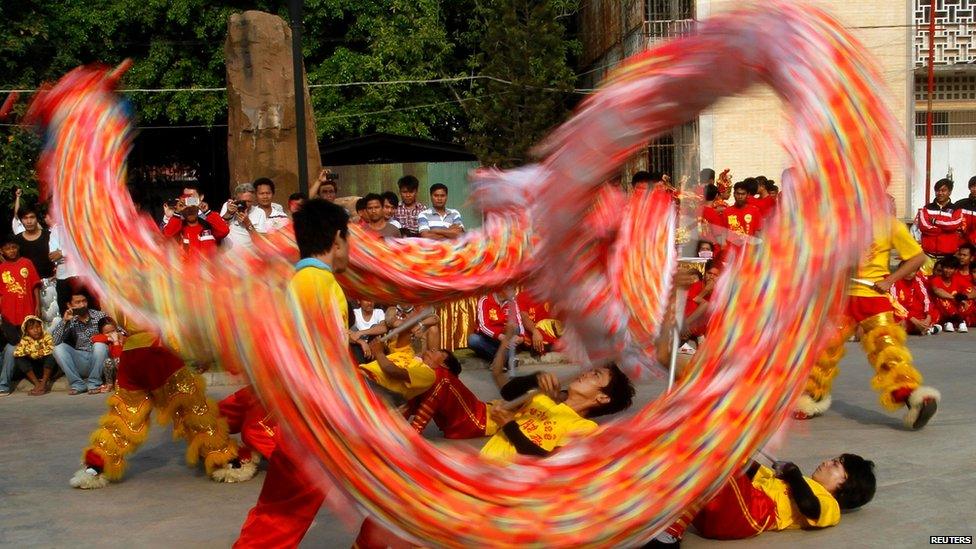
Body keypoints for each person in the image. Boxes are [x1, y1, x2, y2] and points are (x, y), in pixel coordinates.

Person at [354, 353, 636, 548]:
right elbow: (509, 392)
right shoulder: (544, 401)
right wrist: (535, 378)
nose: (586, 373)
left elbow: (548, 465)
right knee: (392, 517)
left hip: (502, 504)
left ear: (603, 397)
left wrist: (511, 427)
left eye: (595, 375)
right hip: (476, 480)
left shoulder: (585, 431)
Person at [235, 198, 351, 548]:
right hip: (313, 418)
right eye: (348, 240)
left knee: (280, 507)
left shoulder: (301, 281)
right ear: (336, 239)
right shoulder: (319, 284)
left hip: (304, 414)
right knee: (282, 513)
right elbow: (325, 360)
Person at [794, 214, 941, 430]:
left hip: (873, 298)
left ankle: (913, 399)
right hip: (841, 298)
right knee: (825, 349)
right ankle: (812, 397)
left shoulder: (890, 224)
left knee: (887, 351)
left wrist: (890, 279)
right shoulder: (838, 222)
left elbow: (918, 258)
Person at [68, 331, 254, 489]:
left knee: (124, 414)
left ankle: (95, 466)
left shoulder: (116, 289)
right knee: (193, 408)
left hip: (131, 353)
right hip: (158, 351)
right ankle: (226, 460)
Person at [648, 454, 876, 546]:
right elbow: (751, 470)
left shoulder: (830, 505)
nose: (827, 462)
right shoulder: (795, 481)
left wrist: (794, 474)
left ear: (845, 487)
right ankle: (660, 520)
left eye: (836, 465)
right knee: (708, 455)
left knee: (718, 462)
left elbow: (809, 507)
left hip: (752, 514)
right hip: (732, 507)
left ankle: (669, 533)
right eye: (833, 459)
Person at [0, 237, 42, 396]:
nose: (11, 251)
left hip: (27, 312)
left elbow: (35, 287)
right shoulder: (1, 268)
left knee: (30, 345)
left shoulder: (27, 263)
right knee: (13, 347)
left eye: (13, 247)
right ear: (2, 251)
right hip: (9, 315)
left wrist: (38, 305)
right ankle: (4, 385)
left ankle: (39, 379)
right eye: (7, 249)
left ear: (18, 248)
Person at [50, 291, 110, 395]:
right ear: (69, 305)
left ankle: (94, 383)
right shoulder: (70, 320)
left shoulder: (100, 315)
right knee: (58, 348)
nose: (82, 305)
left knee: (99, 345)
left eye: (84, 301)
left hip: (100, 360)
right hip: (81, 359)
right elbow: (54, 341)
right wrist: (65, 322)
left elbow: (120, 331)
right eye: (77, 302)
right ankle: (77, 384)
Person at [467, 287, 524, 362]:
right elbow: (483, 326)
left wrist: (522, 337)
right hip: (489, 338)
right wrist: (499, 336)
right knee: (473, 339)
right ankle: (506, 358)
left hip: (506, 337)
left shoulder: (513, 302)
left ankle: (499, 360)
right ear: (503, 289)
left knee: (515, 328)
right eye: (512, 289)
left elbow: (520, 323)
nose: (515, 292)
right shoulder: (485, 300)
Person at [163, 195, 229, 257]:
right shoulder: (178, 228)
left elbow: (224, 231)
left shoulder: (209, 225)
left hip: (210, 267)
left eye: (192, 209)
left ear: (198, 209)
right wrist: (177, 213)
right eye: (187, 210)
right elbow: (167, 235)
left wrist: (207, 212)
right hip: (188, 268)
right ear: (182, 211)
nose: (190, 212)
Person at [915, 178, 964, 259]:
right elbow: (924, 227)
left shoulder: (956, 209)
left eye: (943, 190)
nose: (940, 193)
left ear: (950, 192)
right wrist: (946, 230)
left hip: (948, 256)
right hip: (928, 255)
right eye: (937, 190)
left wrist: (935, 221)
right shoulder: (926, 208)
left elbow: (954, 224)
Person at [12, 315, 56, 395]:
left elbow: (51, 348)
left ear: (41, 327)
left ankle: (43, 384)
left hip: (47, 368)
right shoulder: (25, 339)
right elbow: (17, 352)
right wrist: (32, 353)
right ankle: (37, 384)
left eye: (37, 327)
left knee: (51, 356)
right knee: (19, 359)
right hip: (34, 369)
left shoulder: (46, 336)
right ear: (27, 331)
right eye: (31, 328)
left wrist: (35, 353)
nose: (36, 330)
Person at [928, 256, 974, 333]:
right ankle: (960, 321)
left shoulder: (959, 279)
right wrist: (955, 298)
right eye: (946, 268)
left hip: (957, 308)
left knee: (969, 300)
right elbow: (937, 291)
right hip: (942, 311)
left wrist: (965, 297)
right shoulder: (935, 280)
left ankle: (951, 321)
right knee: (942, 299)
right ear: (942, 268)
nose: (948, 271)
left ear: (955, 270)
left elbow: (974, 292)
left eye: (951, 268)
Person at [893, 263, 939, 335]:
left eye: (913, 271)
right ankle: (926, 328)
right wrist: (914, 321)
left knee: (934, 312)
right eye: (907, 270)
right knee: (901, 323)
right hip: (902, 314)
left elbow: (926, 299)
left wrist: (928, 317)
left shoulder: (918, 280)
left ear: (917, 271)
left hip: (916, 313)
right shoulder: (894, 281)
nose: (910, 274)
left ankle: (924, 327)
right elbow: (896, 304)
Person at [220, 183, 267, 251]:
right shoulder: (227, 206)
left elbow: (261, 241)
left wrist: (248, 223)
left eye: (249, 201)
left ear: (253, 200)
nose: (246, 204)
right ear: (235, 199)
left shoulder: (259, 212)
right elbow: (220, 230)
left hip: (249, 257)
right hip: (228, 257)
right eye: (242, 201)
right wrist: (228, 213)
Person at [349, 299, 387, 364]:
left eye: (371, 300)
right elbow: (346, 334)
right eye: (366, 300)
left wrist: (361, 332)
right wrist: (362, 342)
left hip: (375, 348)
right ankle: (361, 366)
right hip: (359, 349)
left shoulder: (378, 312)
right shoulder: (354, 313)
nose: (370, 303)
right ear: (359, 301)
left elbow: (383, 328)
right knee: (353, 329)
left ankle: (374, 362)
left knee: (375, 327)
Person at [955, 176, 976, 245]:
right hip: (960, 244)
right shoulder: (959, 204)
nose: (975, 189)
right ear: (969, 188)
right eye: (973, 186)